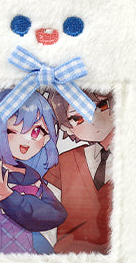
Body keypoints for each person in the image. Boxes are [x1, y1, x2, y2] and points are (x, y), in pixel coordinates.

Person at [0, 90, 67, 254]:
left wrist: (10, 197)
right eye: (11, 130)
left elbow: (56, 214)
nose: (25, 140)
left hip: (28, 250)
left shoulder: (32, 178)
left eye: (37, 131)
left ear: (47, 138)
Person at [44, 92, 114, 254]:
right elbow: (47, 224)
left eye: (101, 106)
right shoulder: (64, 162)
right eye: (77, 118)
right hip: (68, 259)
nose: (92, 120)